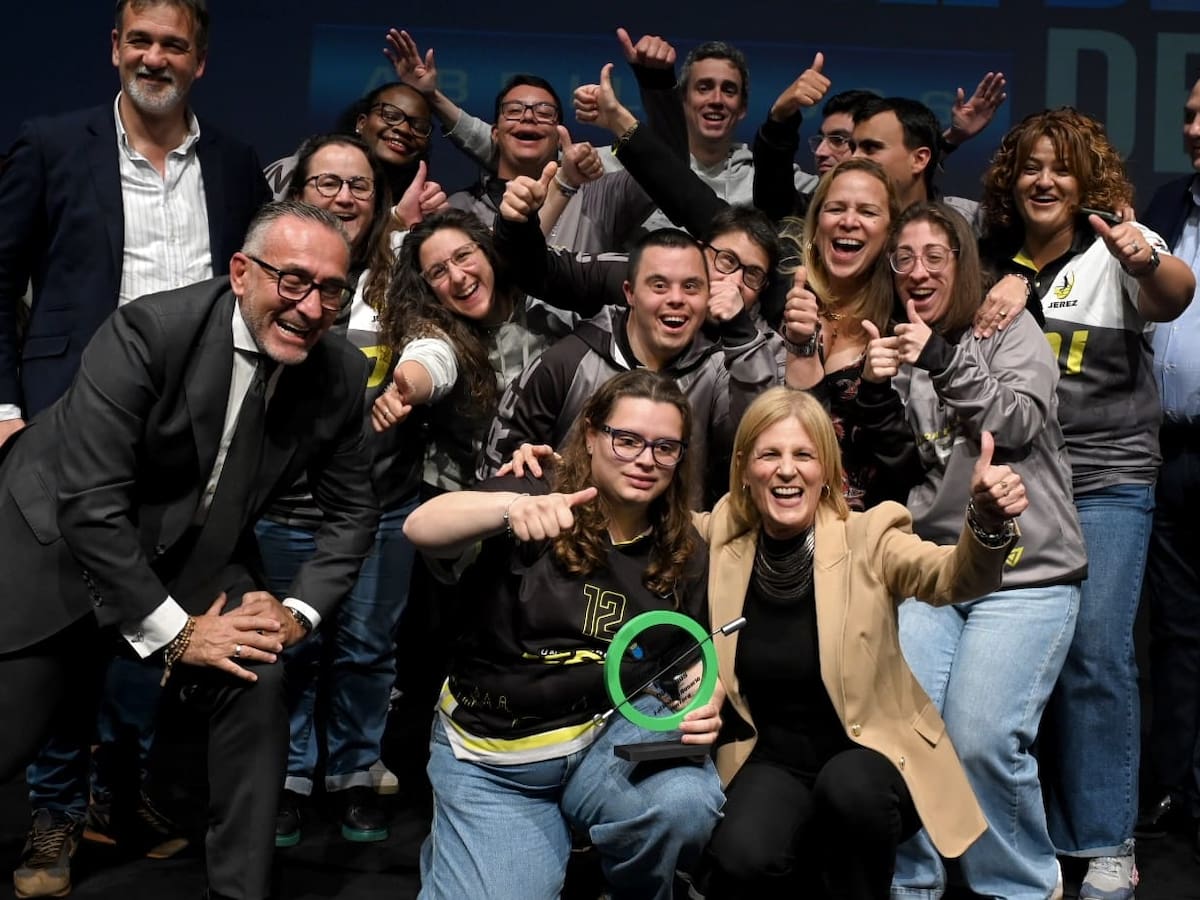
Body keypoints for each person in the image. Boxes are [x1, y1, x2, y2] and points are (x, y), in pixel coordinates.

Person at [0, 200, 380, 900]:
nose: (311, 307)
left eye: (332, 290)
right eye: (293, 280)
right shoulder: (150, 330)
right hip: (54, 540)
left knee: (258, 669)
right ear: (241, 272)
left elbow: (354, 513)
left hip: (189, 549)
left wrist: (297, 613)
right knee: (11, 731)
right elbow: (91, 507)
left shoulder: (340, 373)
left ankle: (239, 890)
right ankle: (56, 815)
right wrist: (180, 634)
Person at [0, 2, 270, 893]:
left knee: (154, 618)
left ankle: (128, 796)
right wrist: (5, 407)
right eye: (140, 41)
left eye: (174, 45)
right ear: (115, 47)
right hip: (64, 430)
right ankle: (55, 816)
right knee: (64, 627)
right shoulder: (51, 144)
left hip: (187, 441)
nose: (155, 58)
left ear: (200, 60)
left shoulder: (233, 162)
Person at [978, 107, 1195, 898]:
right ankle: (1026, 840)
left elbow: (1174, 293)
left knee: (1096, 656)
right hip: (1015, 487)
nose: (1045, 180)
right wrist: (1010, 282)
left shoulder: (1118, 243)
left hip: (1108, 481)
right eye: (1031, 166)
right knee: (1017, 665)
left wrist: (1144, 259)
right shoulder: (987, 258)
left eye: (1062, 167)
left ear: (1088, 180)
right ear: (1011, 178)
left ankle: (1106, 840)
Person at [403, 369, 725, 900]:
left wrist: (706, 696)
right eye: (627, 440)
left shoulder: (683, 548)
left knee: (685, 802)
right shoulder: (538, 490)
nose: (646, 459)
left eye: (665, 447)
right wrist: (510, 509)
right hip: (498, 759)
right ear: (591, 434)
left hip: (608, 742)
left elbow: (690, 653)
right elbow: (421, 526)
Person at [689, 385, 1022, 898]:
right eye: (769, 454)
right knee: (740, 858)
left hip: (873, 754)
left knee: (849, 791)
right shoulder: (723, 537)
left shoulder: (870, 535)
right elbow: (650, 525)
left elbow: (951, 577)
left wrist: (987, 521)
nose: (786, 470)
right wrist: (561, 494)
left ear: (827, 470)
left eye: (804, 455)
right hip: (773, 759)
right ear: (744, 469)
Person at [862, 202, 1085, 898]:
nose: (918, 270)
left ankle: (1018, 887)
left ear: (962, 264)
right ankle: (913, 883)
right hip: (939, 571)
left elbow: (1015, 421)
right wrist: (874, 393)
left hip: (1026, 575)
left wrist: (938, 357)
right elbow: (897, 473)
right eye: (904, 258)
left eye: (936, 256)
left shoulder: (1010, 329)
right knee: (904, 730)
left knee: (982, 736)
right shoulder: (897, 350)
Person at [254, 134, 431, 846]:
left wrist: (417, 375)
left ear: (378, 200)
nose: (344, 197)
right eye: (327, 182)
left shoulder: (404, 272)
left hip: (384, 504)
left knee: (366, 651)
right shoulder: (272, 271)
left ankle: (354, 773)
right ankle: (290, 777)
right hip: (286, 508)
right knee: (288, 647)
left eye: (359, 185)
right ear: (297, 191)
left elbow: (440, 343)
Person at [476, 226, 775, 506]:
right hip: (573, 535)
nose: (676, 299)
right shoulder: (568, 362)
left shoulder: (719, 370)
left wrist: (742, 335)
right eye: (659, 285)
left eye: (691, 287)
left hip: (675, 539)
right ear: (630, 293)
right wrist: (524, 494)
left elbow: (759, 439)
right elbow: (495, 476)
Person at [1135, 74, 1200, 857]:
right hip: (1170, 448)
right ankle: (1176, 789)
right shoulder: (1164, 206)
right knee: (1176, 634)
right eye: (1188, 114)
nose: (1194, 128)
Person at [776, 157, 916, 510]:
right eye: (836, 208)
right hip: (782, 517)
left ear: (890, 233)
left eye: (867, 212)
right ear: (816, 223)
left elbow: (911, 468)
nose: (849, 221)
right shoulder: (781, 301)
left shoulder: (903, 324)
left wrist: (1018, 282)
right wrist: (798, 347)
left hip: (872, 530)